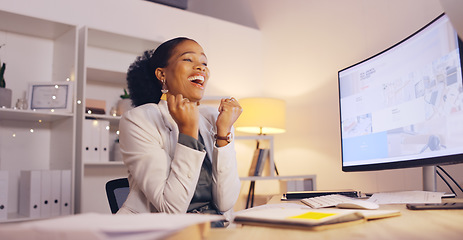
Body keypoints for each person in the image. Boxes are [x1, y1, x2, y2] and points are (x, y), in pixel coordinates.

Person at [116, 37, 242, 227]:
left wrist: (223, 134)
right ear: (161, 74)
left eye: (204, 62)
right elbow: (171, 209)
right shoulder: (138, 120)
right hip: (162, 231)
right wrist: (187, 131)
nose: (201, 68)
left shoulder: (214, 118)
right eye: (188, 59)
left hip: (216, 228)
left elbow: (226, 202)